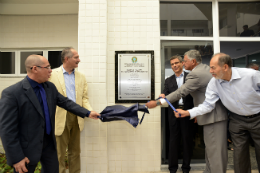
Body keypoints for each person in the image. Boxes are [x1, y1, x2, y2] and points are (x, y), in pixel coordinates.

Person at [0, 55, 100, 173]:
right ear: (35, 69)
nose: (50, 70)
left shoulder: (50, 87)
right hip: (27, 148)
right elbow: (7, 129)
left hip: (49, 145)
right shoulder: (12, 93)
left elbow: (66, 102)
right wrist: (16, 158)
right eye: (47, 67)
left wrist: (87, 113)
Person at [175, 53, 260, 173]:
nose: (210, 71)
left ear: (225, 67)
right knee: (240, 158)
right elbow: (208, 105)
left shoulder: (251, 75)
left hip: (258, 118)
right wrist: (188, 113)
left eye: (213, 67)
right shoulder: (214, 83)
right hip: (237, 120)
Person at [146, 50, 228, 173]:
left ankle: (187, 168)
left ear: (193, 61)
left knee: (213, 151)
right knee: (211, 151)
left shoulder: (194, 75)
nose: (183, 64)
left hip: (210, 116)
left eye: (184, 61)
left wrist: (156, 103)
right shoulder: (204, 69)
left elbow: (180, 93)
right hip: (198, 113)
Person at [49, 47, 92, 173]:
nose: (79, 60)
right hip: (59, 117)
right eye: (76, 57)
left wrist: (89, 112)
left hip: (77, 117)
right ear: (66, 59)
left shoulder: (81, 76)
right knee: (59, 153)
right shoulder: (52, 75)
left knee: (75, 152)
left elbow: (84, 98)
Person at [161, 56, 194, 173]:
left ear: (182, 63)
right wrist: (162, 95)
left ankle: (186, 168)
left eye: (176, 63)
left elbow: (195, 95)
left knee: (187, 141)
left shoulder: (190, 77)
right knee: (173, 141)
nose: (174, 65)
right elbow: (166, 93)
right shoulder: (168, 80)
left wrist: (195, 114)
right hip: (173, 114)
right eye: (172, 64)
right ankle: (172, 168)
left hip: (187, 112)